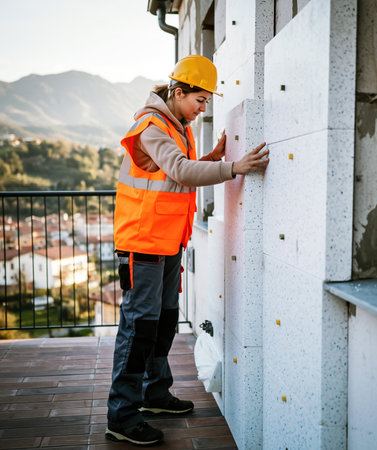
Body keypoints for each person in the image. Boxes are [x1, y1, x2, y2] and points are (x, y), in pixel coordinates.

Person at [105, 54, 269, 446]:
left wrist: (210, 159)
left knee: (162, 321)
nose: (202, 109)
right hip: (143, 244)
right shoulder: (151, 126)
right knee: (139, 326)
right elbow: (179, 170)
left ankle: (154, 394)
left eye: (206, 103)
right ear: (178, 92)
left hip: (167, 242)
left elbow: (178, 171)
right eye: (200, 101)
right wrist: (232, 168)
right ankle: (122, 415)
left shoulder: (175, 124)